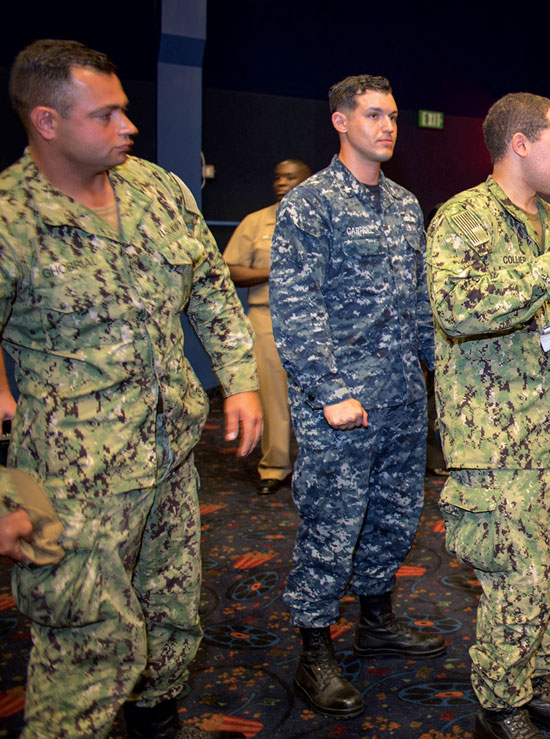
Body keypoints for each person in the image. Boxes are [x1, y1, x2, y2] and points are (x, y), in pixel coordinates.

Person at [0, 39, 262, 739]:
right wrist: (4, 497)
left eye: (125, 109)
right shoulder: (10, 218)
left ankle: (157, 715)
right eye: (106, 114)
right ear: (48, 123)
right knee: (82, 639)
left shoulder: (158, 190)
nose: (129, 126)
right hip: (59, 478)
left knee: (172, 608)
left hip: (170, 454)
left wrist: (240, 382)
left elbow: (209, 286)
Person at [428, 92, 550, 739]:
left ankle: (532, 682)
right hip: (492, 439)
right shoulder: (462, 219)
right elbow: (458, 308)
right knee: (518, 581)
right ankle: (499, 706)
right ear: (520, 145)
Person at [269, 74, 444, 720]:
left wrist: (437, 374)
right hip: (343, 405)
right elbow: (296, 307)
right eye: (374, 115)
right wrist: (331, 390)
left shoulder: (404, 204)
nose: (388, 126)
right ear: (341, 121)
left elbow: (420, 301)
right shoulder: (310, 204)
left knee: (395, 516)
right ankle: (314, 648)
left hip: (400, 397)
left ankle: (377, 621)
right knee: (332, 526)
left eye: (394, 115)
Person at [223, 159, 311, 495]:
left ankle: (315, 468)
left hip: (313, 321)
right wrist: (275, 272)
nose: (281, 182)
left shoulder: (321, 218)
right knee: (273, 397)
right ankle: (274, 467)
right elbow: (230, 268)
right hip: (266, 317)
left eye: (290, 177)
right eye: (277, 177)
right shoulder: (255, 222)